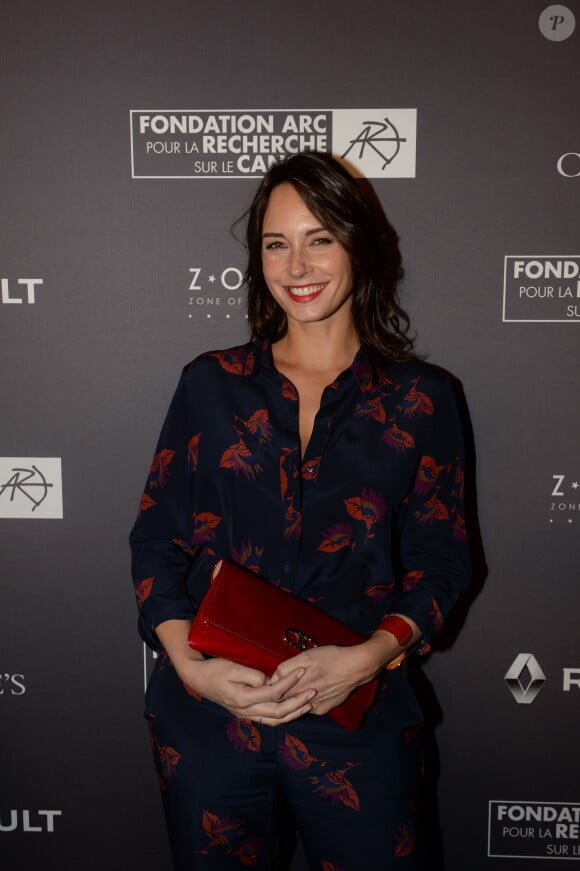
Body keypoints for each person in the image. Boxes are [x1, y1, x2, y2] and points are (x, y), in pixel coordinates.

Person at [130, 151, 471, 870]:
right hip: (211, 717)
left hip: (361, 718)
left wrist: (367, 659)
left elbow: (443, 563)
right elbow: (157, 539)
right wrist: (192, 668)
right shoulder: (210, 385)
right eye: (275, 243)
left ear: (359, 244)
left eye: (320, 237)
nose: (297, 264)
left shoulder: (420, 398)